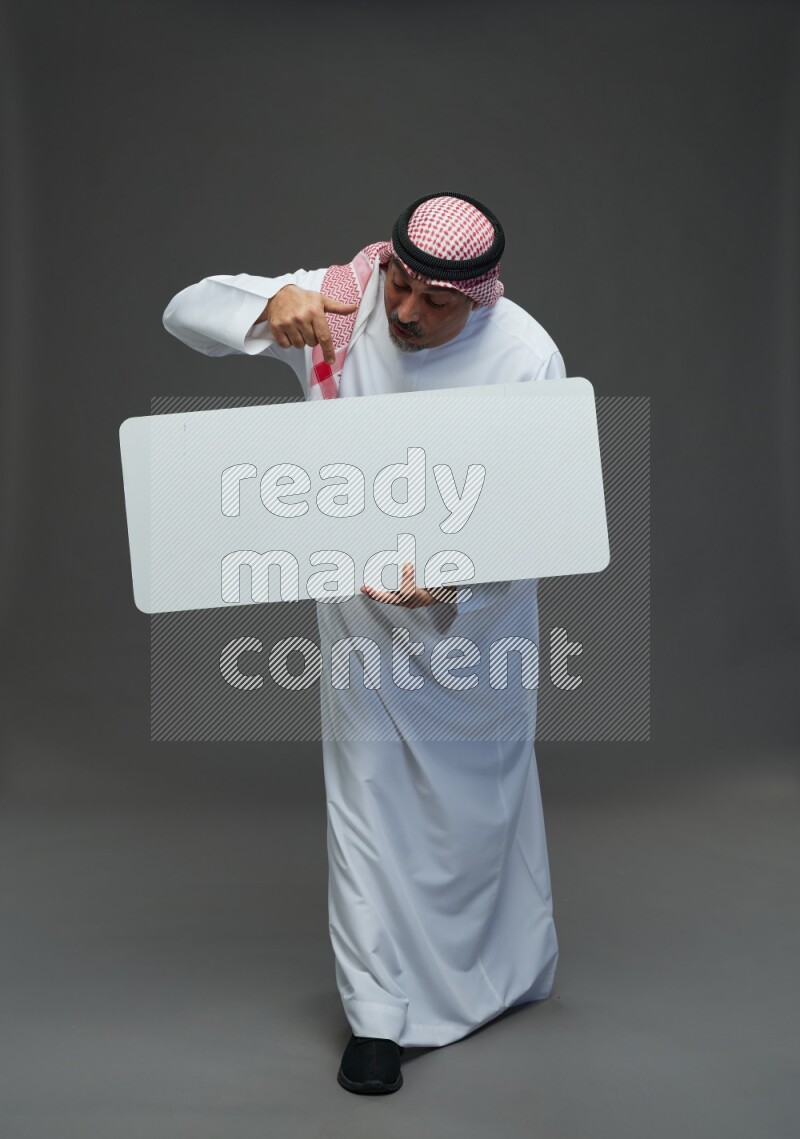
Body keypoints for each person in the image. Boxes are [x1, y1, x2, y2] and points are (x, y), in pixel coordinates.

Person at [162, 192, 565, 1096]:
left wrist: (460, 577)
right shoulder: (340, 307)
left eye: (437, 301)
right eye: (401, 284)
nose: (407, 312)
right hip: (361, 632)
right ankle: (380, 1017)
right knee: (371, 809)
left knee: (487, 807)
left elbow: (539, 506)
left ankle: (508, 972)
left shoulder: (525, 354)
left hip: (477, 626)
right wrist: (267, 310)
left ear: (482, 297)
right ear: (385, 264)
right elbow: (184, 310)